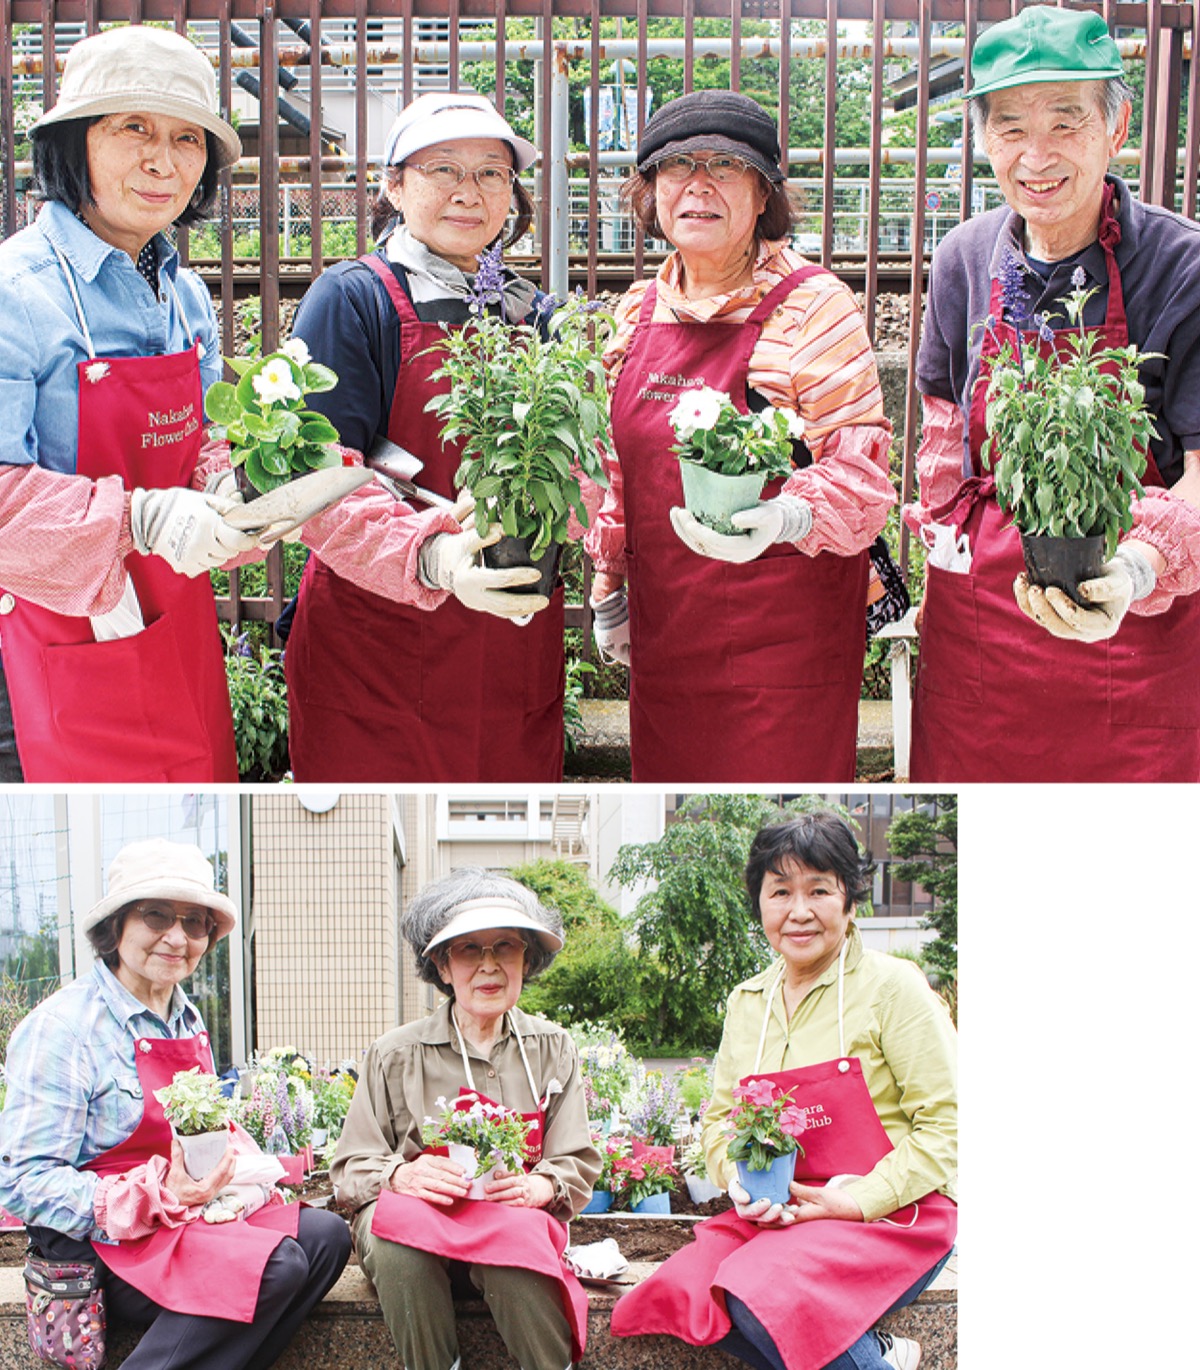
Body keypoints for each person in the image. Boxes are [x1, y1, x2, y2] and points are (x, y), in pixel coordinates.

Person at [908, 4, 1200, 780]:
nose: (1035, 156)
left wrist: (1136, 569)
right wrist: (933, 564)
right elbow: (943, 442)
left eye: (1066, 122)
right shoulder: (964, 258)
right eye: (1009, 127)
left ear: (1119, 124)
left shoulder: (1183, 268)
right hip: (981, 651)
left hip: (1137, 638)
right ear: (981, 140)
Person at [585, 89, 896, 782]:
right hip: (668, 638)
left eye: (725, 166)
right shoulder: (635, 312)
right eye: (676, 167)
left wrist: (787, 515)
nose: (698, 185)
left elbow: (861, 477)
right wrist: (610, 589)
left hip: (785, 651)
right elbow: (617, 474)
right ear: (651, 191)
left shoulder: (815, 305)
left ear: (763, 196)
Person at [284, 92, 570, 782]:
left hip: (508, 641)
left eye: (492, 174)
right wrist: (434, 559)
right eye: (443, 169)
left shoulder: (534, 314)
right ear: (394, 184)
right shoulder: (353, 298)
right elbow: (316, 481)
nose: (468, 192)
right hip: (376, 649)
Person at [0, 25, 260, 783]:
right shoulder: (17, 294)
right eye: (132, 128)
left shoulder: (181, 293)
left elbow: (202, 436)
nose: (162, 159)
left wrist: (225, 483)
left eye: (187, 138)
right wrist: (139, 518)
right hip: (42, 658)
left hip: (169, 627)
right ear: (74, 144)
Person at [611, 812, 957, 1370]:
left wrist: (856, 1201)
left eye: (819, 890)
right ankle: (880, 1356)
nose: (798, 911)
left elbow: (949, 1126)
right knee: (682, 1291)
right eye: (780, 892)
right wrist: (737, 1180)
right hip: (780, 1216)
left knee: (757, 1296)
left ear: (850, 901)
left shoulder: (894, 989)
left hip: (893, 1218)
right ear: (761, 905)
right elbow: (721, 1119)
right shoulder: (747, 1001)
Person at [0, 838, 351, 1369]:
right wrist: (152, 1194)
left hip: (183, 1221)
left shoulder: (188, 1020)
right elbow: (23, 1182)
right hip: (106, 1245)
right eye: (156, 915)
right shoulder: (62, 1029)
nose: (177, 937)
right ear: (116, 926)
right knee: (273, 1266)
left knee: (326, 1238)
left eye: (194, 922)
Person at [331, 868, 601, 1370]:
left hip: (502, 1219)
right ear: (441, 964)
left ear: (527, 958)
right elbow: (351, 1163)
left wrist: (542, 1186)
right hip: (414, 1222)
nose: (489, 965)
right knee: (398, 1245)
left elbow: (574, 1158)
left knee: (516, 1251)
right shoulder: (394, 1053)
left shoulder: (552, 1047)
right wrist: (399, 1173)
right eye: (468, 949)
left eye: (505, 946)